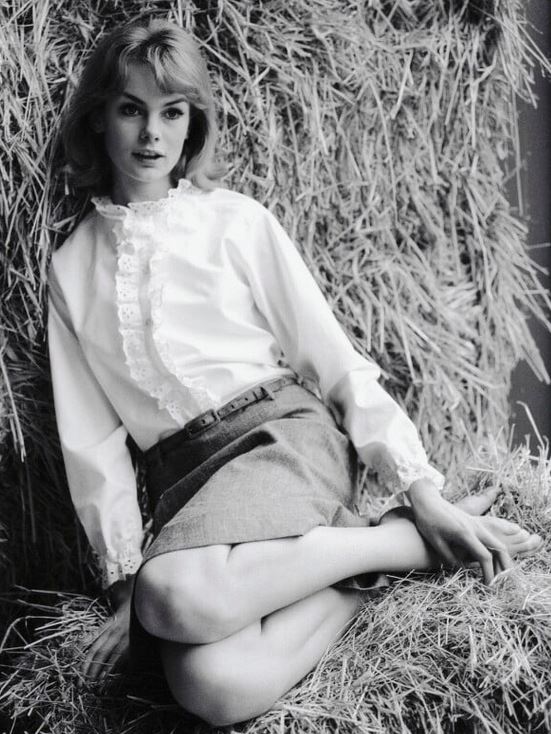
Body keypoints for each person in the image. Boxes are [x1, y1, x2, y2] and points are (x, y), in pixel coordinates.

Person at [47, 17, 542, 727]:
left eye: (172, 112)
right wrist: (123, 583)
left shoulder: (235, 222)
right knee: (213, 687)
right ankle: (375, 563)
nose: (151, 133)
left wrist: (421, 488)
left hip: (279, 436)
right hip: (183, 479)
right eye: (131, 109)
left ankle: (408, 536)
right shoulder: (70, 271)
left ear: (193, 124)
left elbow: (332, 360)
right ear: (99, 118)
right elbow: (91, 444)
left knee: (171, 597)